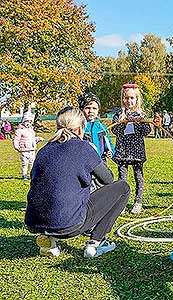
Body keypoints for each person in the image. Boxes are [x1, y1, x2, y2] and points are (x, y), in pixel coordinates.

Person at [25, 106, 130, 258]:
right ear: (81, 129)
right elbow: (108, 179)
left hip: (35, 222)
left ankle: (50, 239)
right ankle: (96, 243)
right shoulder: (83, 148)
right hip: (70, 224)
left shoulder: (44, 150)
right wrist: (94, 156)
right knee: (123, 187)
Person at [111, 83, 151, 214]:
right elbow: (115, 130)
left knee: (138, 177)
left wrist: (139, 122)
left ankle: (138, 202)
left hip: (137, 152)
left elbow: (147, 131)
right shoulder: (118, 114)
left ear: (137, 99)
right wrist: (123, 121)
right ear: (123, 99)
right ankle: (121, 203)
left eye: (132, 98)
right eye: (126, 98)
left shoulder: (142, 114)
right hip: (123, 151)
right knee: (122, 178)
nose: (129, 101)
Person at [78, 92, 115, 161]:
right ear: (81, 109)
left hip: (101, 161)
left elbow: (108, 143)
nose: (91, 111)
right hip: (84, 163)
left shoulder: (102, 128)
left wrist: (110, 151)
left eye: (94, 108)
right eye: (88, 108)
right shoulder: (78, 127)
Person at [13, 111, 44, 180]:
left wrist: (38, 139)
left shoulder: (31, 131)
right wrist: (17, 147)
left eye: (30, 122)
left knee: (32, 163)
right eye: (27, 121)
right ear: (23, 121)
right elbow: (16, 139)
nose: (28, 123)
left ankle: (32, 175)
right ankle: (24, 175)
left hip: (32, 149)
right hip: (24, 150)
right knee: (25, 163)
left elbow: (33, 139)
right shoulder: (20, 131)